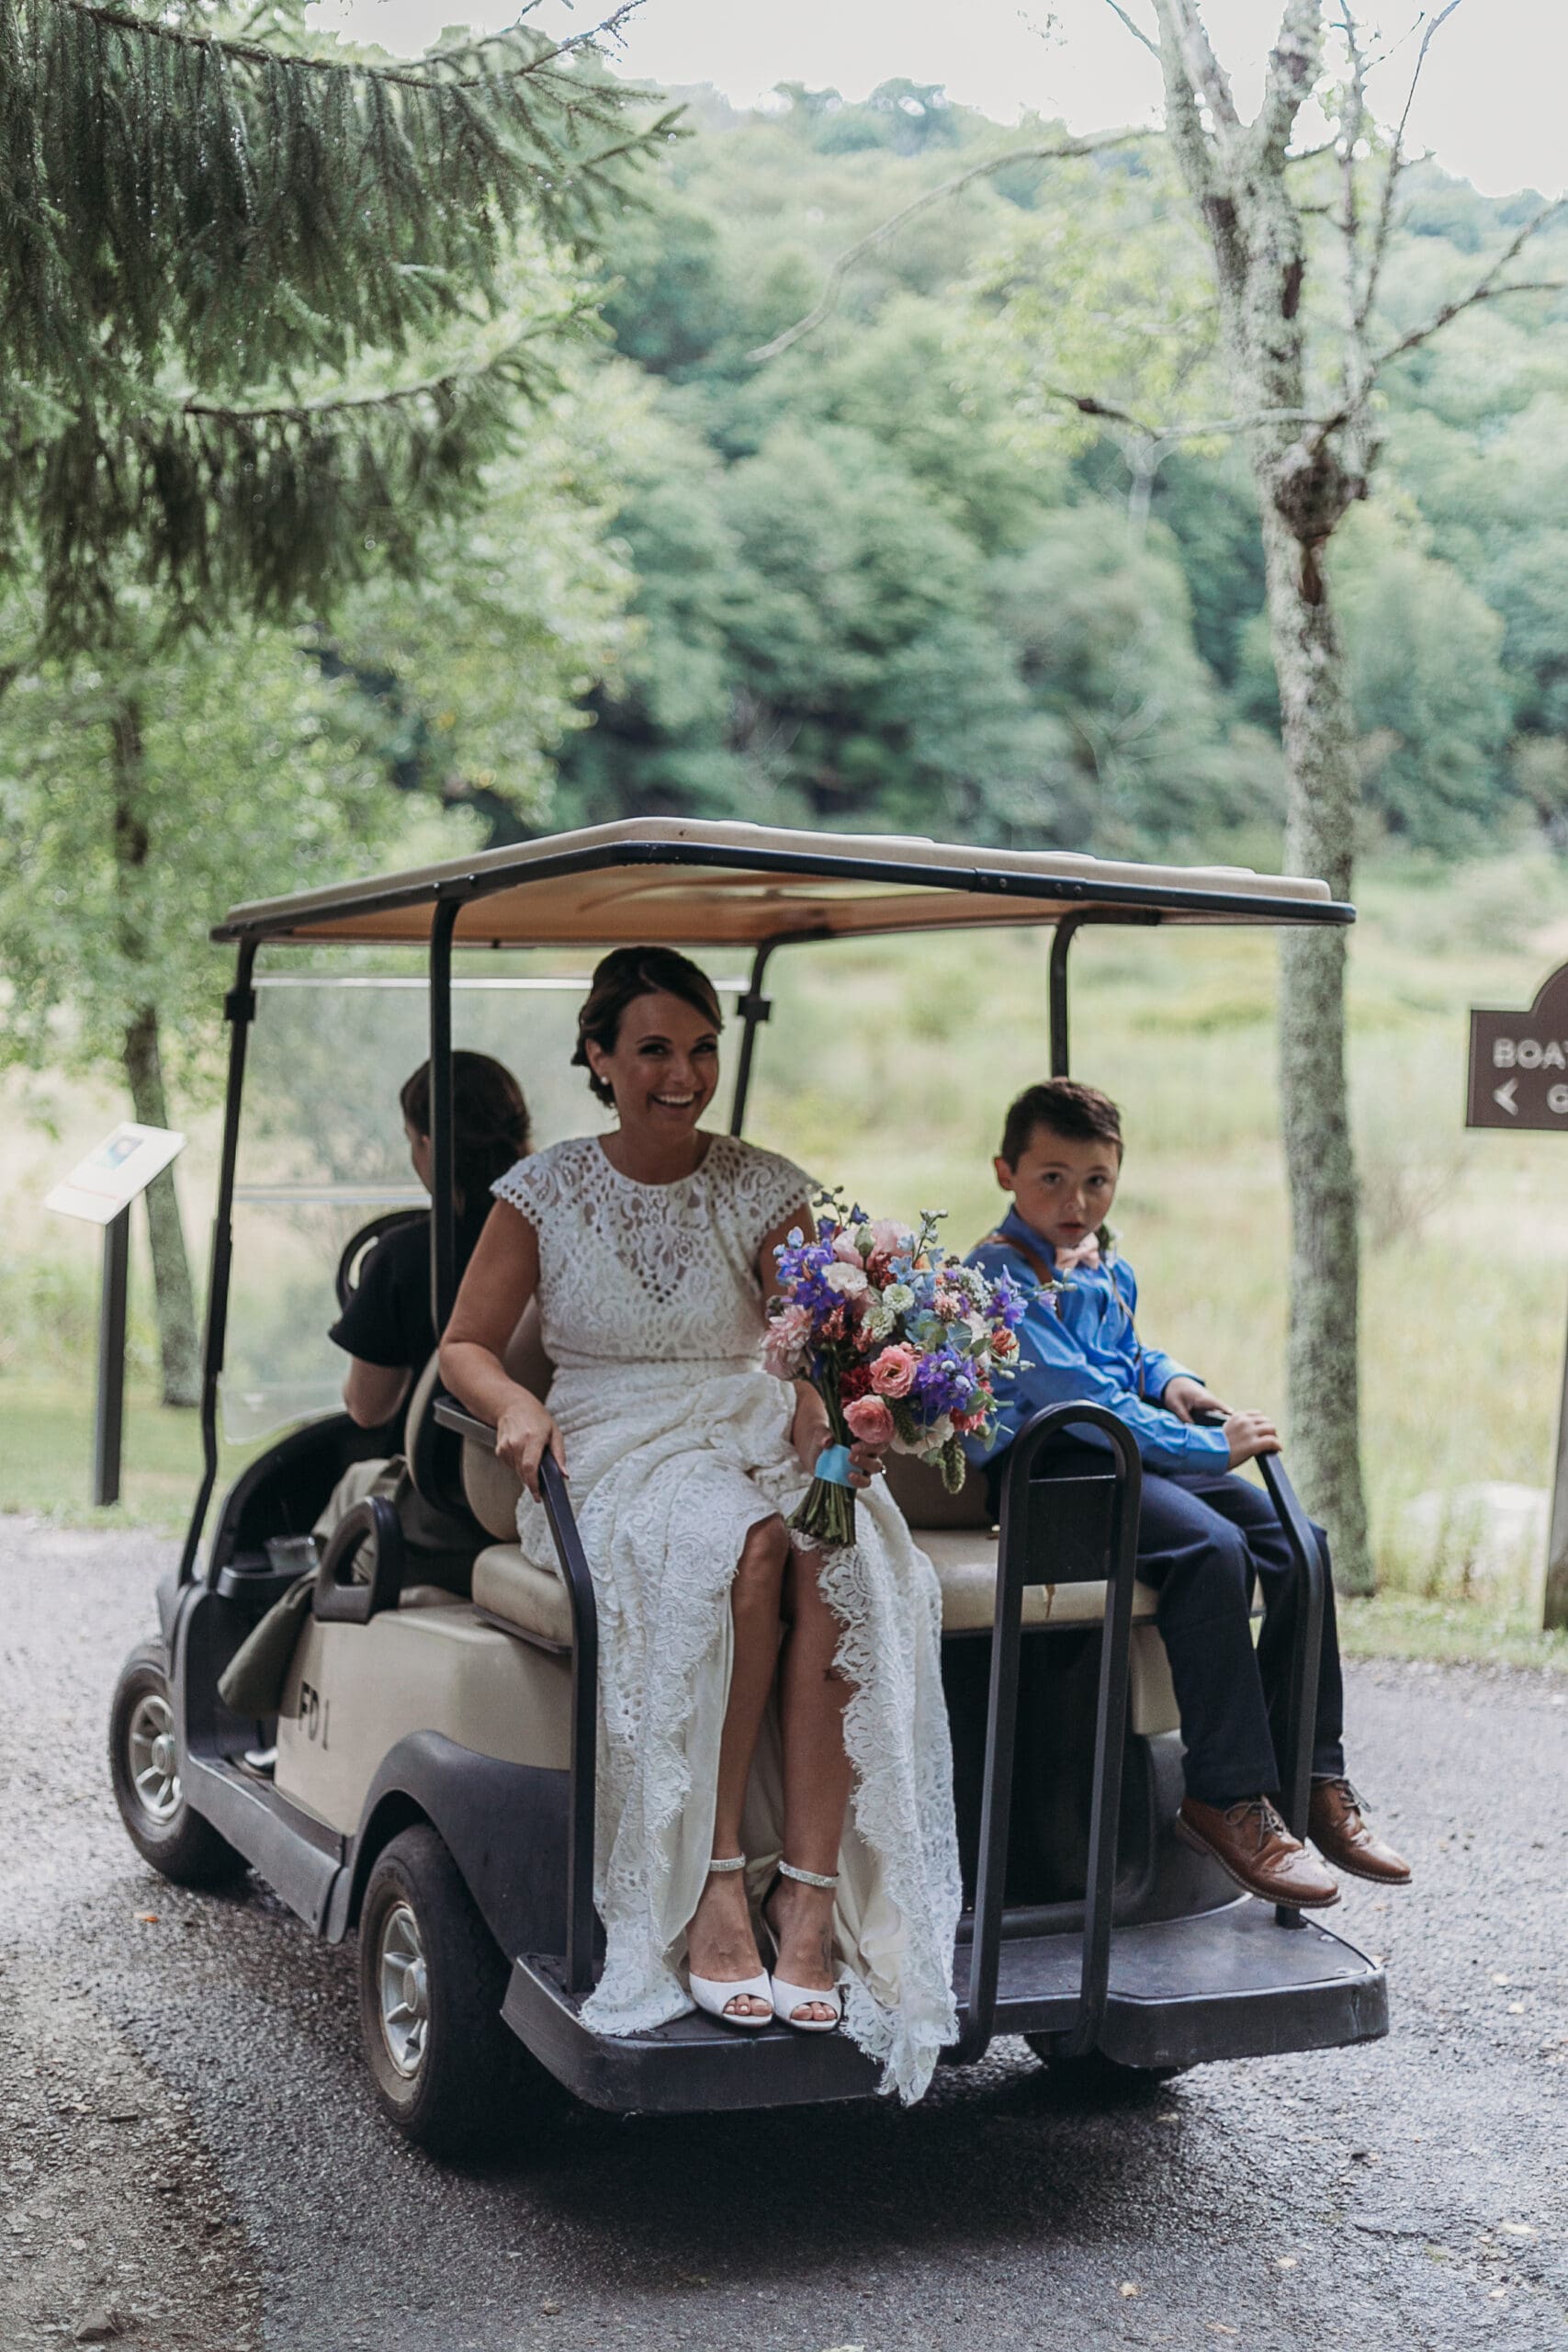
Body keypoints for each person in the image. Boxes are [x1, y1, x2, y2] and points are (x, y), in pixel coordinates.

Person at [439, 946, 961, 2101]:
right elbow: (465, 1344)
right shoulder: (543, 1191)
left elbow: (804, 1336)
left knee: (842, 1552)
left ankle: (808, 1900)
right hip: (614, 1437)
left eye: (701, 1049)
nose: (681, 1075)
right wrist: (515, 1402)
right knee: (747, 1543)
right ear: (598, 1057)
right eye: (653, 1050)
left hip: (745, 1415)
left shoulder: (763, 1186)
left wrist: (831, 1409)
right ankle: (717, 1878)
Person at [964, 1079, 1410, 1910]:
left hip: (1129, 1450)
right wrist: (1212, 1446)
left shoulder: (1106, 1265)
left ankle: (1309, 1773)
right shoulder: (998, 1274)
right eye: (1051, 1178)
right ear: (1005, 1173)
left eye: (1096, 1180)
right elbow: (1081, 1398)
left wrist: (1174, 1380)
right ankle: (1224, 1795)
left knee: (1300, 1543)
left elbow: (1126, 1358)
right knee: (1211, 1548)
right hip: (1055, 1469)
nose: (1076, 1202)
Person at [218, 1052, 529, 1725]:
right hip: (540, 1499)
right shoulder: (556, 1244)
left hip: (445, 1515)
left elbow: (367, 1406)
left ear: (427, 1145)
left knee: (346, 1502)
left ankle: (274, 1711)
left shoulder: (407, 1256)